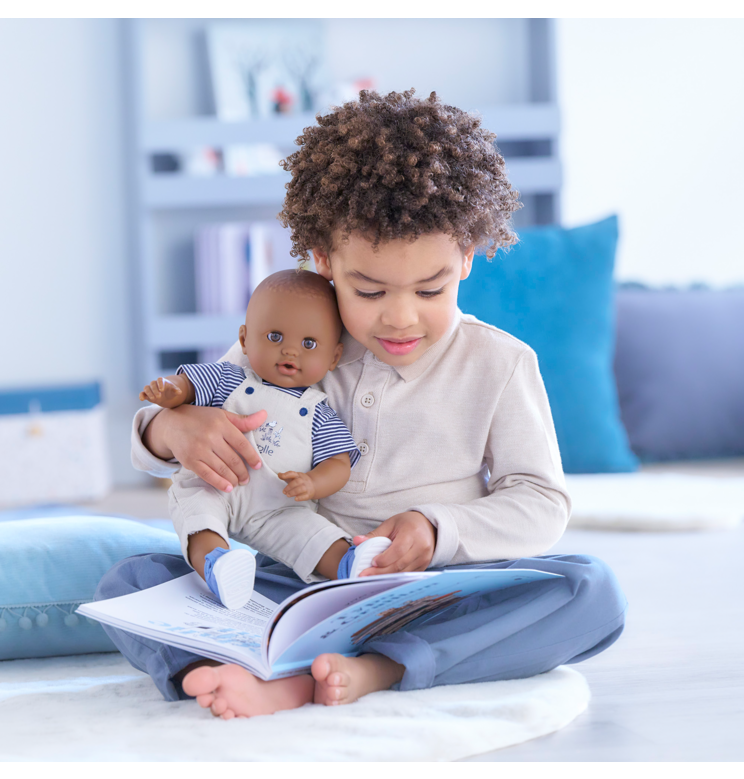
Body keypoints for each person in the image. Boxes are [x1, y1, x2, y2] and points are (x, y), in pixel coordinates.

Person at [97, 89, 627, 719]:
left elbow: (540, 504)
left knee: (590, 590)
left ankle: (372, 668)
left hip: (434, 594)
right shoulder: (295, 338)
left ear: (465, 257)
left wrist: (437, 530)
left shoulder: (501, 364)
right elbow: (175, 425)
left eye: (430, 289)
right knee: (129, 581)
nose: (400, 317)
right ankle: (228, 664)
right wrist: (173, 429)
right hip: (293, 580)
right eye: (369, 290)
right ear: (323, 261)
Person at [137, 269, 366, 610]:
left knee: (308, 532)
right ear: (244, 340)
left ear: (333, 356)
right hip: (214, 485)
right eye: (275, 336)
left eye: (308, 344)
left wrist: (313, 484)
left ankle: (351, 564)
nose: (290, 351)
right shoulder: (230, 377)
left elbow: (339, 463)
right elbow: (188, 386)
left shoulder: (320, 412)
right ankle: (218, 565)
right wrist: (170, 393)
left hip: (279, 504)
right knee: (198, 517)